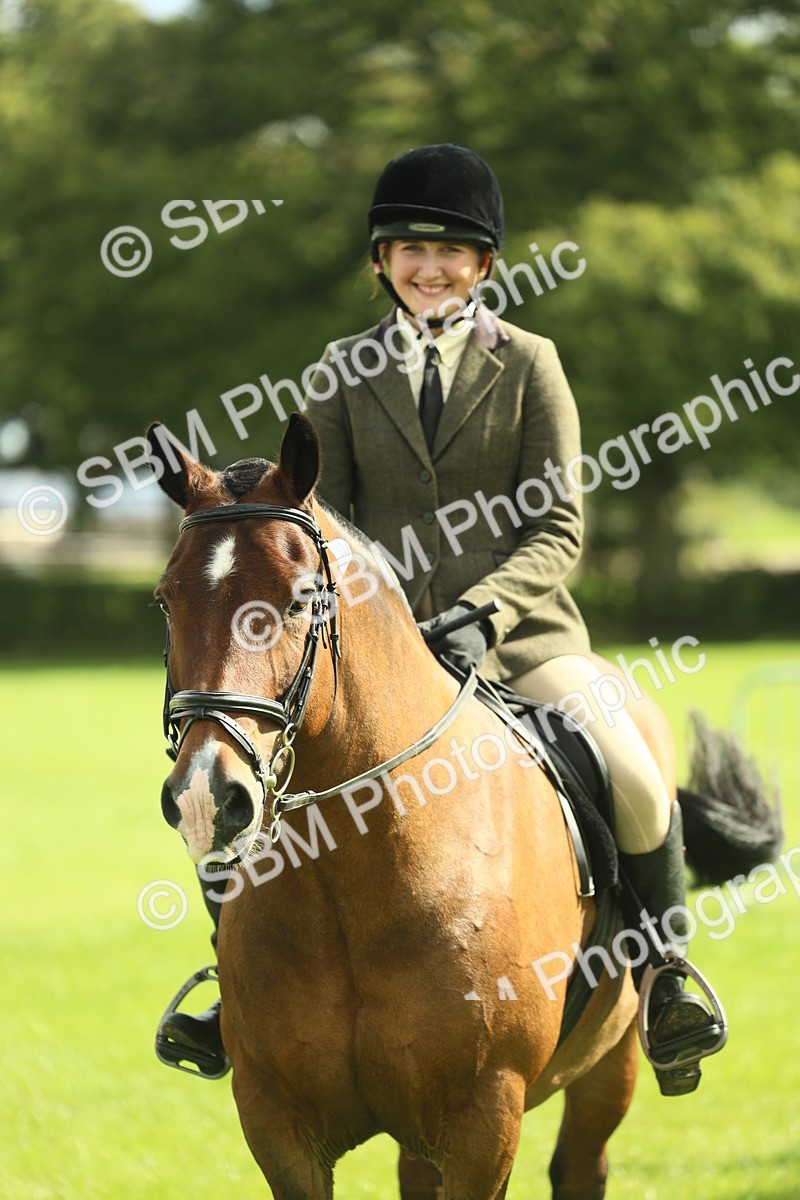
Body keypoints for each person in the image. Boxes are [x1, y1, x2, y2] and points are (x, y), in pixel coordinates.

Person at [159, 143, 724, 1096]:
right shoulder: (340, 372)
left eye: (451, 251)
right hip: (376, 652)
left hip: (525, 637)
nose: (430, 266)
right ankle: (233, 985)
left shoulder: (532, 366)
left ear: (486, 266)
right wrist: (393, 618)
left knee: (629, 763)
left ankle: (667, 975)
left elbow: (558, 525)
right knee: (231, 778)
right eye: (409, 247)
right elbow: (314, 524)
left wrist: (481, 611)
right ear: (381, 263)